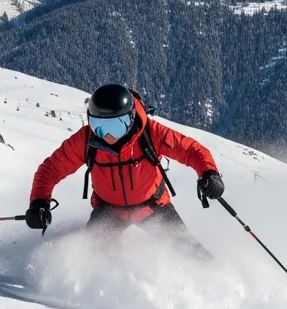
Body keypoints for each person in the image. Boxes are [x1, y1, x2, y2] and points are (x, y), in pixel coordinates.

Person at [25, 84, 224, 256]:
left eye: (117, 126)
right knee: (90, 258)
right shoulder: (86, 140)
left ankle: (219, 279)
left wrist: (209, 174)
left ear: (130, 119)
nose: (109, 135)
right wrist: (39, 202)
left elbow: (191, 150)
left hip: (153, 206)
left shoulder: (151, 134)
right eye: (100, 126)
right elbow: (50, 169)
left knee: (188, 251)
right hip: (109, 210)